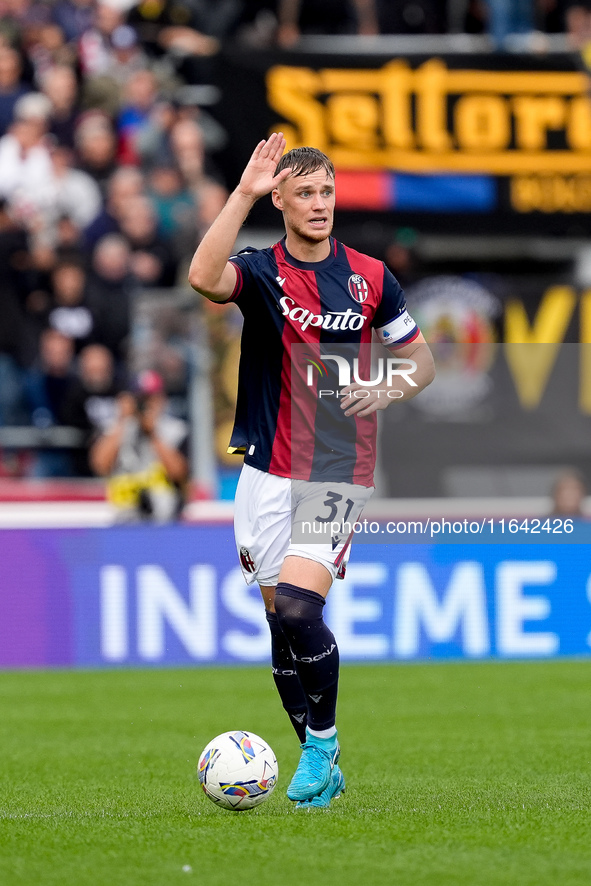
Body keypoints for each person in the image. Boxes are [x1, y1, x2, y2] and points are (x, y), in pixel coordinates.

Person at [188, 133, 435, 809]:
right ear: (281, 200)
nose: (320, 203)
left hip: (336, 465)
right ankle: (316, 758)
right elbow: (203, 279)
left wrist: (384, 389)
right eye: (304, 193)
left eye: (326, 191)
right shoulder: (261, 272)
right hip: (267, 467)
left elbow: (422, 363)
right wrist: (239, 193)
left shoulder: (370, 277)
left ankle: (322, 743)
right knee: (279, 625)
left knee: (302, 606)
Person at [89, 369, 189, 522]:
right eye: (141, 399)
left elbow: (179, 473)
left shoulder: (175, 430)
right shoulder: (115, 429)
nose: (145, 405)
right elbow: (100, 464)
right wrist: (122, 420)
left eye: (150, 399)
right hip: (122, 517)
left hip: (164, 517)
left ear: (162, 399)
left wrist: (153, 434)